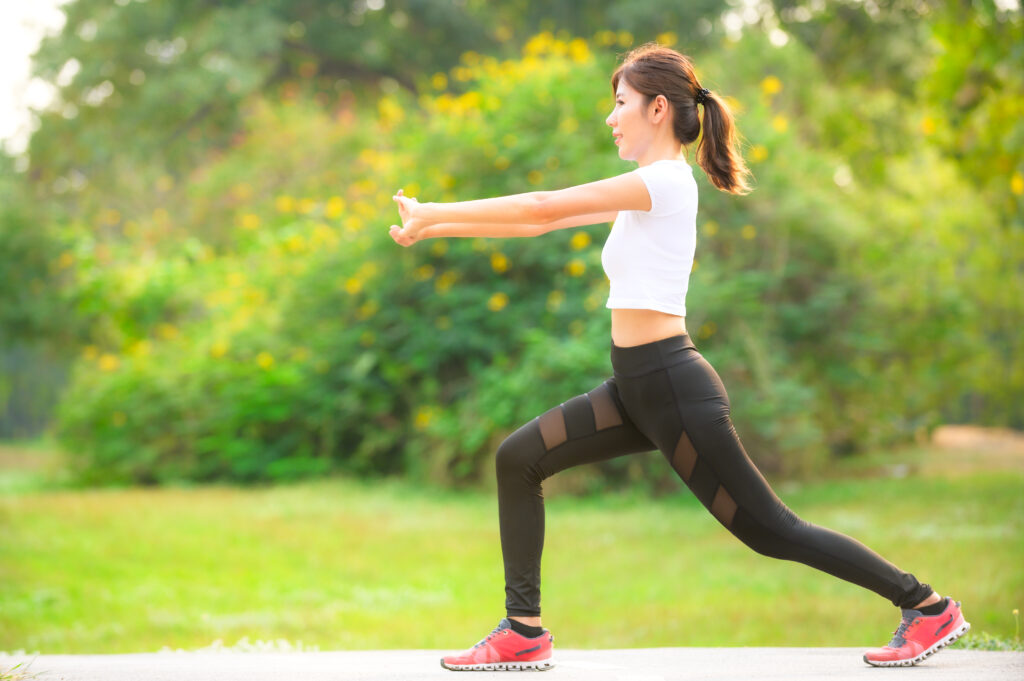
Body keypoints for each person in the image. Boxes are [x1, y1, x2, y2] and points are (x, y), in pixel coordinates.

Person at [389, 43, 969, 672]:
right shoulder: (645, 189)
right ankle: (523, 630)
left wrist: (436, 210)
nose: (611, 118)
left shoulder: (664, 182)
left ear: (658, 107)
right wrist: (432, 226)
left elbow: (540, 205)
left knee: (771, 530)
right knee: (519, 459)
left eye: (620, 103)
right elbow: (536, 225)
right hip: (636, 387)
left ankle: (927, 606)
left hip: (671, 385)